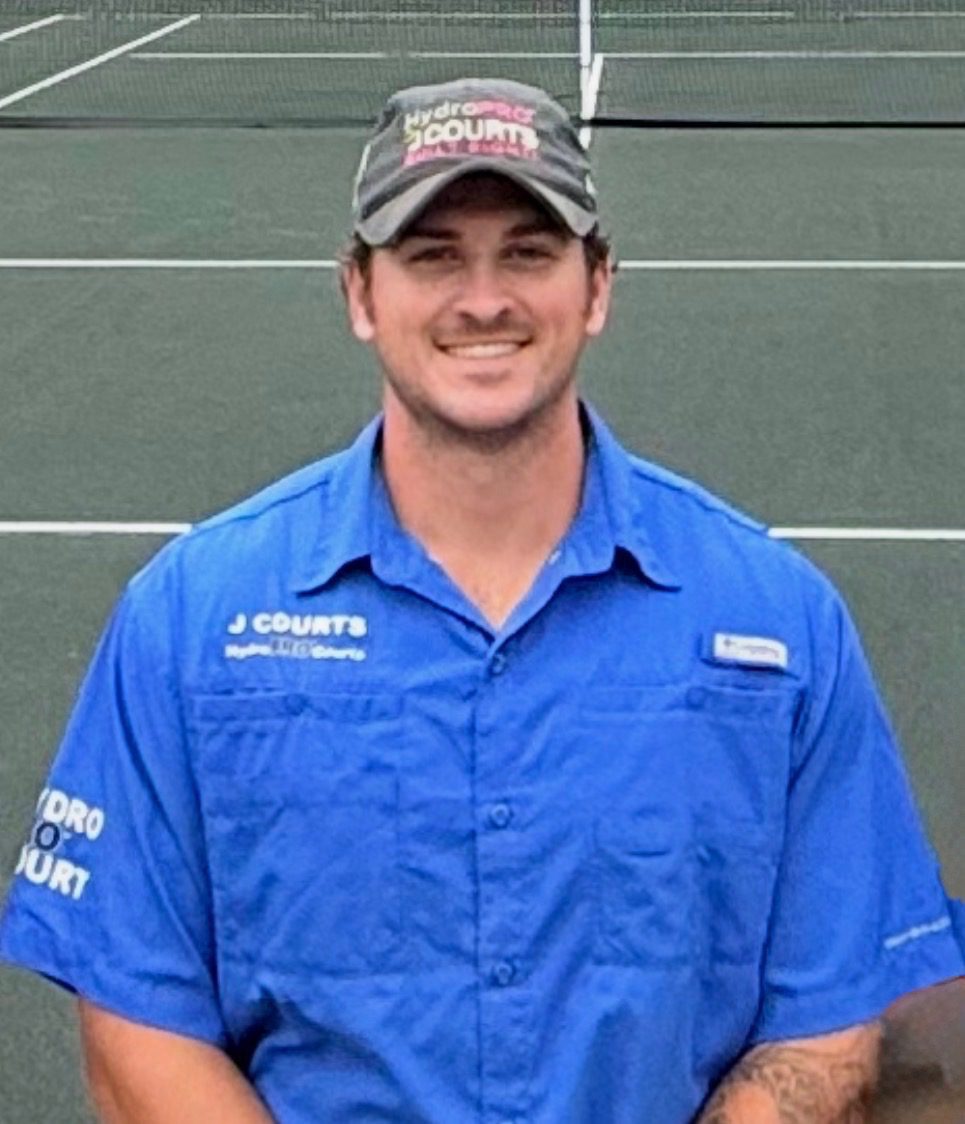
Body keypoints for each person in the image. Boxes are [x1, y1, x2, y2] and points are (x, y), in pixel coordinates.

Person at [0, 77, 962, 1124]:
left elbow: (830, 1021)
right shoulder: (187, 619)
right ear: (358, 294)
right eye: (432, 255)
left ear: (596, 287)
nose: (484, 298)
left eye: (528, 252)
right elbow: (136, 1028)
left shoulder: (779, 623)